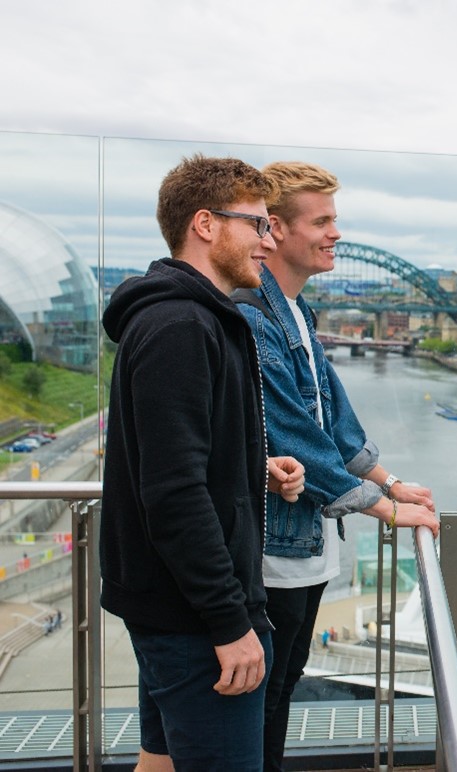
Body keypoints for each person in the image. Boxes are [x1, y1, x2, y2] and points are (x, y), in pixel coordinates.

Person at [101, 155, 306, 771]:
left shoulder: (197, 319)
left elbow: (177, 457)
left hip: (175, 607)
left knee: (159, 762)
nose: (269, 243)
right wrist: (230, 622)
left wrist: (252, 470)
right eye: (258, 225)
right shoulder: (181, 326)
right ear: (206, 224)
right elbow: (172, 493)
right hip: (196, 618)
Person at [235, 161, 440, 772]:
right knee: (266, 701)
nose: (335, 234)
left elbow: (337, 425)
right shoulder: (254, 316)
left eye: (335, 220)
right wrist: (385, 509)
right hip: (276, 551)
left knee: (281, 691)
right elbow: (294, 433)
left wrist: (393, 482)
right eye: (321, 221)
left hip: (309, 543)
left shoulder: (298, 313)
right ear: (274, 229)